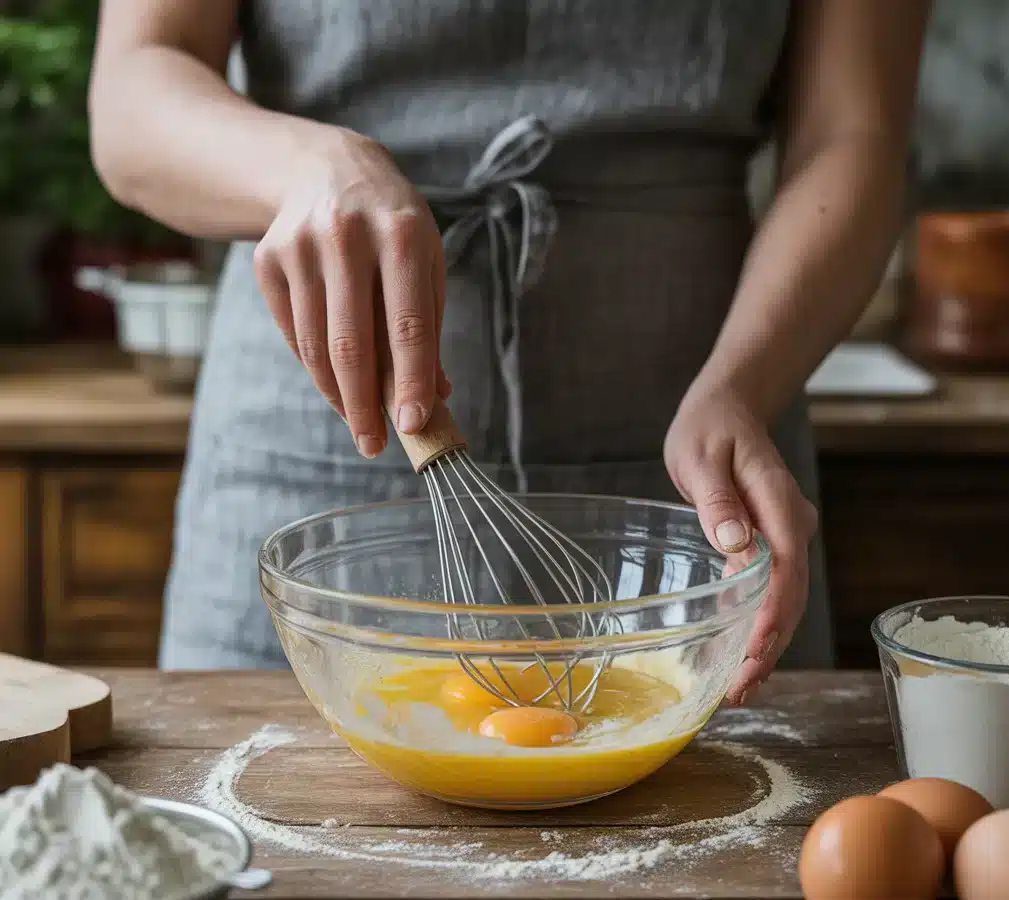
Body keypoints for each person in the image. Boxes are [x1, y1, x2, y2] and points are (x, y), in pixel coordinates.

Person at [89, 1, 928, 703]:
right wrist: (310, 165)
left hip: (697, 479)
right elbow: (134, 92)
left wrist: (745, 384)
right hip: (309, 456)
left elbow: (853, 131)